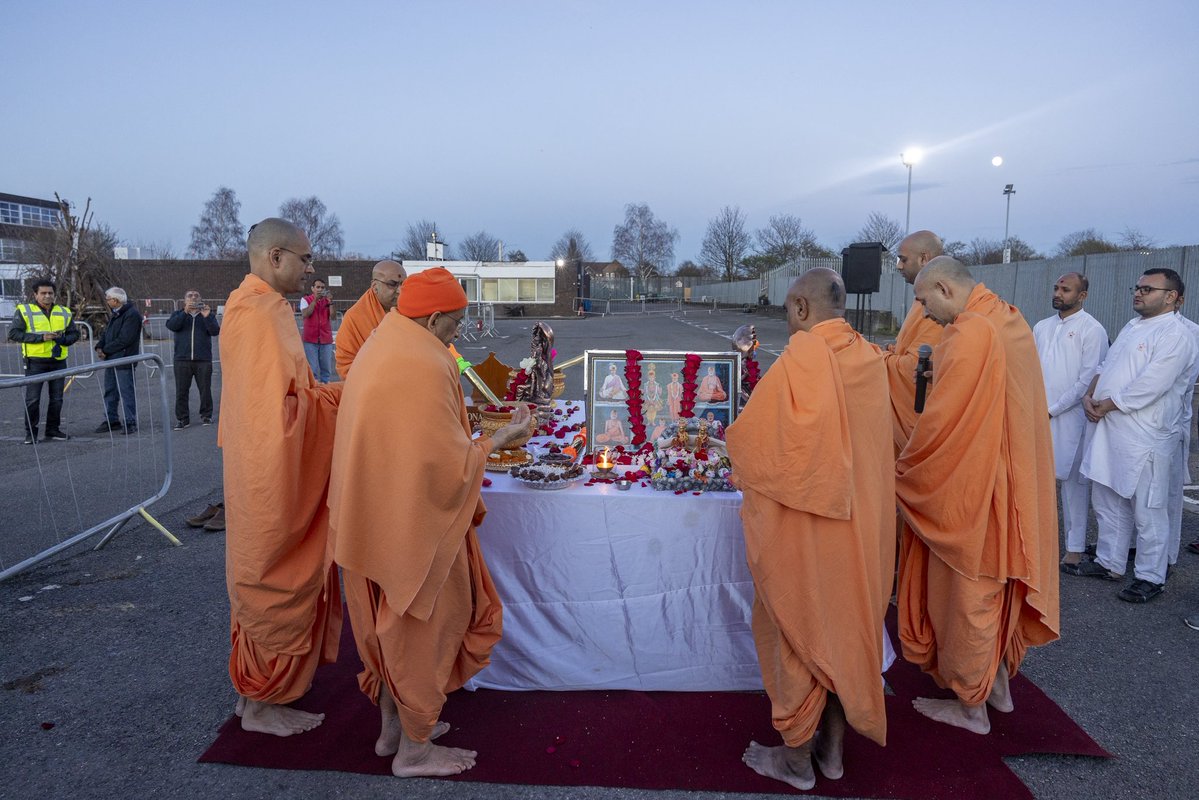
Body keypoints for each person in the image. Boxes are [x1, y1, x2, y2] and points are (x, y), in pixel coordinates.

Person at [329, 266, 529, 777]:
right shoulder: (423, 359)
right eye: (455, 325)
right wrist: (498, 442)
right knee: (421, 622)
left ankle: (394, 726)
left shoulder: (383, 340)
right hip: (408, 525)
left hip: (369, 515)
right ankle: (415, 751)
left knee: (384, 624)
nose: (457, 335)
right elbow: (445, 464)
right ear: (435, 318)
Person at [727, 269, 891, 791]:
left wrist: (729, 447)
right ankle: (833, 752)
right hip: (864, 530)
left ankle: (796, 761)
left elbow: (761, 448)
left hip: (811, 529)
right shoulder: (870, 356)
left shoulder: (801, 359)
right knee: (843, 633)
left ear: (800, 307)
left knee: (798, 632)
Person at [897, 256, 1059, 734]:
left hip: (979, 484)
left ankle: (971, 708)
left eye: (925, 301)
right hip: (1016, 477)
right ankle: (998, 685)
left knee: (970, 591)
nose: (925, 314)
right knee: (998, 587)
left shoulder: (970, 332)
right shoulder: (1008, 317)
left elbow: (944, 424)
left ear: (945, 289)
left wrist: (907, 471)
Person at [220, 218, 343, 736]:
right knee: (273, 571)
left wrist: (329, 396)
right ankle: (261, 704)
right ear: (275, 257)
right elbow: (282, 417)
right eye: (306, 259)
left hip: (256, 467)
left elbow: (291, 395)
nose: (311, 269)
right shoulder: (260, 313)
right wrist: (343, 402)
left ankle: (254, 701)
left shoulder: (252, 306)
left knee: (262, 568)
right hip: (269, 471)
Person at [1077, 269, 1197, 603]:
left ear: (1171, 296)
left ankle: (1150, 576)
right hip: (1110, 427)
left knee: (1148, 509)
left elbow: (1152, 385)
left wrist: (1108, 405)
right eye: (1138, 287)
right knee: (1107, 498)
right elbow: (1105, 367)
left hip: (1146, 435)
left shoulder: (1177, 335)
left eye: (1147, 288)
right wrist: (1090, 395)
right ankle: (1109, 561)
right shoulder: (1133, 326)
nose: (1138, 293)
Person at [1032, 273, 1109, 572]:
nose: (1058, 293)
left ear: (1082, 296)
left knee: (1074, 484)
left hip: (1072, 417)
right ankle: (1034, 540)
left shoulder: (1093, 330)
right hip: (1038, 413)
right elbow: (1030, 368)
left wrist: (1053, 409)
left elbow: (1088, 380)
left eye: (1066, 289)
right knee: (1036, 480)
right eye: (1056, 288)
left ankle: (1074, 548)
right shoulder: (1041, 327)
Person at [882, 230, 944, 451]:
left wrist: (880, 358)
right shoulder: (922, 300)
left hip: (920, 419)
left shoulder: (938, 303)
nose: (899, 266)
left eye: (903, 259)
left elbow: (916, 368)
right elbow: (908, 349)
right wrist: (893, 351)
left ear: (924, 259)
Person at [8, 279, 80, 444]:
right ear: (35, 294)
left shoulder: (64, 311)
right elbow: (14, 333)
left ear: (54, 295)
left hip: (58, 360)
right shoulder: (25, 310)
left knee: (56, 399)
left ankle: (52, 430)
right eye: (43, 293)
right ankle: (31, 434)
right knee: (33, 399)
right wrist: (41, 338)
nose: (47, 296)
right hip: (35, 361)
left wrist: (63, 339)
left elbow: (74, 334)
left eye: (50, 293)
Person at [1166, 293, 1199, 566]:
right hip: (1136, 425)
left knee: (1170, 495)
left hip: (1172, 423)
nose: (1140, 294)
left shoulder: (1189, 332)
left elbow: (1185, 383)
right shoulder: (1135, 326)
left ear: (1177, 299)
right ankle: (1141, 549)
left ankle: (1167, 556)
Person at [334, 260, 405, 380]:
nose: (399, 290)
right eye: (392, 284)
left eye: (403, 284)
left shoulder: (410, 311)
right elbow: (345, 365)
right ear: (375, 287)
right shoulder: (355, 317)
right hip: (370, 388)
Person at [166, 289, 220, 429]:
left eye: (196, 295)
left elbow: (215, 331)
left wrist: (207, 316)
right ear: (185, 300)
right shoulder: (178, 314)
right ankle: (183, 419)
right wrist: (185, 312)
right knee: (181, 391)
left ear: (200, 299)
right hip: (182, 359)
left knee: (205, 390)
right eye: (190, 295)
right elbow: (172, 326)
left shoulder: (207, 315)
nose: (193, 297)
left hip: (203, 359)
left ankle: (206, 416)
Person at [94, 287, 142, 435]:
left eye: (108, 299)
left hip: (124, 359)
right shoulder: (116, 314)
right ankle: (111, 419)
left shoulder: (131, 314)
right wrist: (99, 347)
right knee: (110, 391)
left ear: (116, 300)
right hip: (112, 359)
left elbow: (125, 339)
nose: (107, 301)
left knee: (126, 392)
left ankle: (130, 421)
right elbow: (107, 333)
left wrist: (106, 350)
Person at [300, 277, 335, 383]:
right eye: (318, 287)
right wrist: (315, 300)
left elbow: (333, 317)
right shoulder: (305, 300)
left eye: (322, 287)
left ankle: (326, 387)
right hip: (310, 339)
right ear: (312, 288)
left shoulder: (327, 301)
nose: (320, 289)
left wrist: (331, 303)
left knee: (326, 368)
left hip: (325, 338)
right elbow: (306, 314)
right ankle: (314, 389)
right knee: (313, 368)